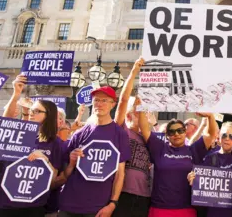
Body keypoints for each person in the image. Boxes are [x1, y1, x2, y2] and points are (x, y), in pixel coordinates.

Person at [58, 86, 131, 217]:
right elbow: (66, 173)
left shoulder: (120, 134)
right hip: (68, 203)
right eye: (96, 100)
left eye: (104, 100)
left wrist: (113, 203)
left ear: (113, 104)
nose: (99, 104)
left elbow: (120, 173)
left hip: (97, 207)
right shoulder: (79, 133)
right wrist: (71, 162)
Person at [0, 75, 63, 217]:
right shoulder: (23, 132)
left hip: (34, 205)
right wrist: (16, 95)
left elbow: (53, 179)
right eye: (31, 110)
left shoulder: (56, 143)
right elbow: (6, 123)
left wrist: (45, 160)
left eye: (37, 111)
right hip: (6, 203)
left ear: (49, 115)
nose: (31, 113)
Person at [138, 106, 218, 217]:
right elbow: (145, 129)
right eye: (172, 132)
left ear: (185, 133)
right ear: (167, 136)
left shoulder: (193, 150)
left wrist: (210, 116)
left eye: (180, 130)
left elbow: (210, 134)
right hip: (160, 208)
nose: (176, 134)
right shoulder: (160, 148)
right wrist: (141, 107)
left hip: (186, 208)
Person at [112, 57, 151, 217]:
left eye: (144, 111)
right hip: (122, 194)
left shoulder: (148, 138)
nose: (141, 113)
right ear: (128, 115)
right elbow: (123, 101)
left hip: (144, 197)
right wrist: (134, 71)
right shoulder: (121, 130)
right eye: (137, 110)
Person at [187, 121, 232, 217]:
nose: (227, 139)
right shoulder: (209, 158)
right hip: (214, 212)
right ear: (219, 136)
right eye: (224, 135)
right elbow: (200, 184)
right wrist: (193, 179)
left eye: (231, 136)